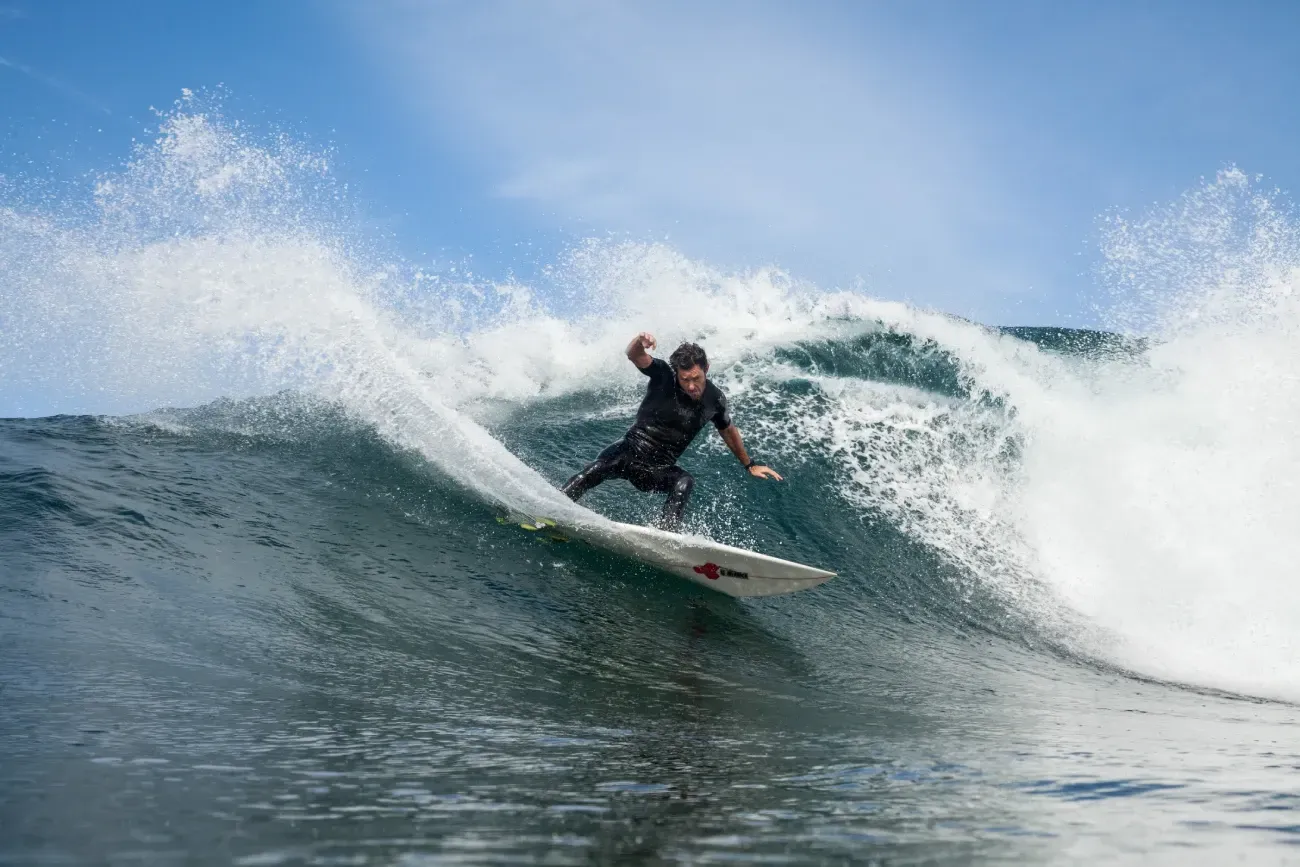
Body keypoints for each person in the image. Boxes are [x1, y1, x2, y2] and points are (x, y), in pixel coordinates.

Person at [561, 332, 782, 530]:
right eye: (685, 380)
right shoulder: (664, 376)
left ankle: (666, 535)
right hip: (627, 453)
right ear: (677, 374)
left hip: (657, 469)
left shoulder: (715, 399)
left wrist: (749, 464)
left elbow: (728, 430)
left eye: (696, 378)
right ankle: (556, 508)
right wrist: (639, 342)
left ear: (706, 369)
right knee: (592, 471)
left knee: (684, 481)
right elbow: (633, 355)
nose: (692, 386)